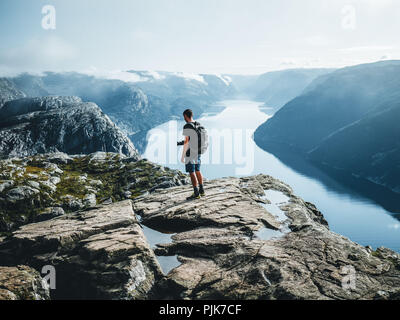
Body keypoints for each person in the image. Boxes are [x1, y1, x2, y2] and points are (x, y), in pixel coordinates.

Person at [181, 109, 205, 200]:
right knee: (197, 170)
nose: (184, 118)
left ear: (186, 116)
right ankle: (202, 190)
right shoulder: (198, 124)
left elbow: (187, 141)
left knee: (192, 172)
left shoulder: (187, 125)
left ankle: (196, 192)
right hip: (198, 151)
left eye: (184, 117)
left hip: (190, 152)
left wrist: (183, 155)